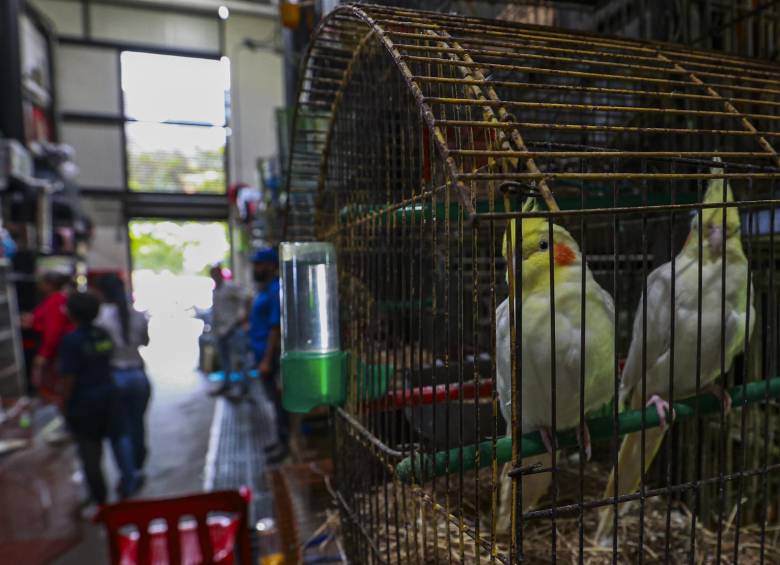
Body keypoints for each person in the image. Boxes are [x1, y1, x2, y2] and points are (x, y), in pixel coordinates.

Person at [58, 292, 140, 512]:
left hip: (84, 403)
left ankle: (101, 501)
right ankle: (130, 483)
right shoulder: (103, 335)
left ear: (72, 314)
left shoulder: (71, 341)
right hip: (109, 396)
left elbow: (68, 378)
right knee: (120, 440)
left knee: (90, 454)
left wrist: (63, 403)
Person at [95, 274, 151, 474]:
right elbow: (146, 341)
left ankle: (129, 475)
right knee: (137, 423)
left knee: (120, 429)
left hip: (115, 376)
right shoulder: (137, 314)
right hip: (138, 375)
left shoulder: (100, 317)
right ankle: (138, 465)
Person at [248, 247, 288, 463]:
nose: (256, 269)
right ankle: (280, 440)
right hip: (261, 353)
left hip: (270, 356)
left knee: (279, 401)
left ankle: (285, 443)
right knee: (273, 401)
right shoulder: (264, 290)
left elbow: (275, 327)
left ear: (271, 266)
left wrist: (266, 360)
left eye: (259, 264)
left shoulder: (275, 289)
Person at [23, 271, 74, 401]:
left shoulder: (56, 301)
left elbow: (53, 331)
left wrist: (43, 354)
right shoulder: (54, 299)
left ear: (49, 285)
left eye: (42, 282)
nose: (39, 285)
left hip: (53, 352)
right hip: (53, 350)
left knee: (52, 389)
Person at [209, 265, 250, 396]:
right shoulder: (215, 291)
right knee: (225, 361)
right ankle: (227, 385)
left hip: (233, 329)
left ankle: (243, 388)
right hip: (220, 331)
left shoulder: (230, 287)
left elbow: (247, 297)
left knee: (240, 360)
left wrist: (242, 317)